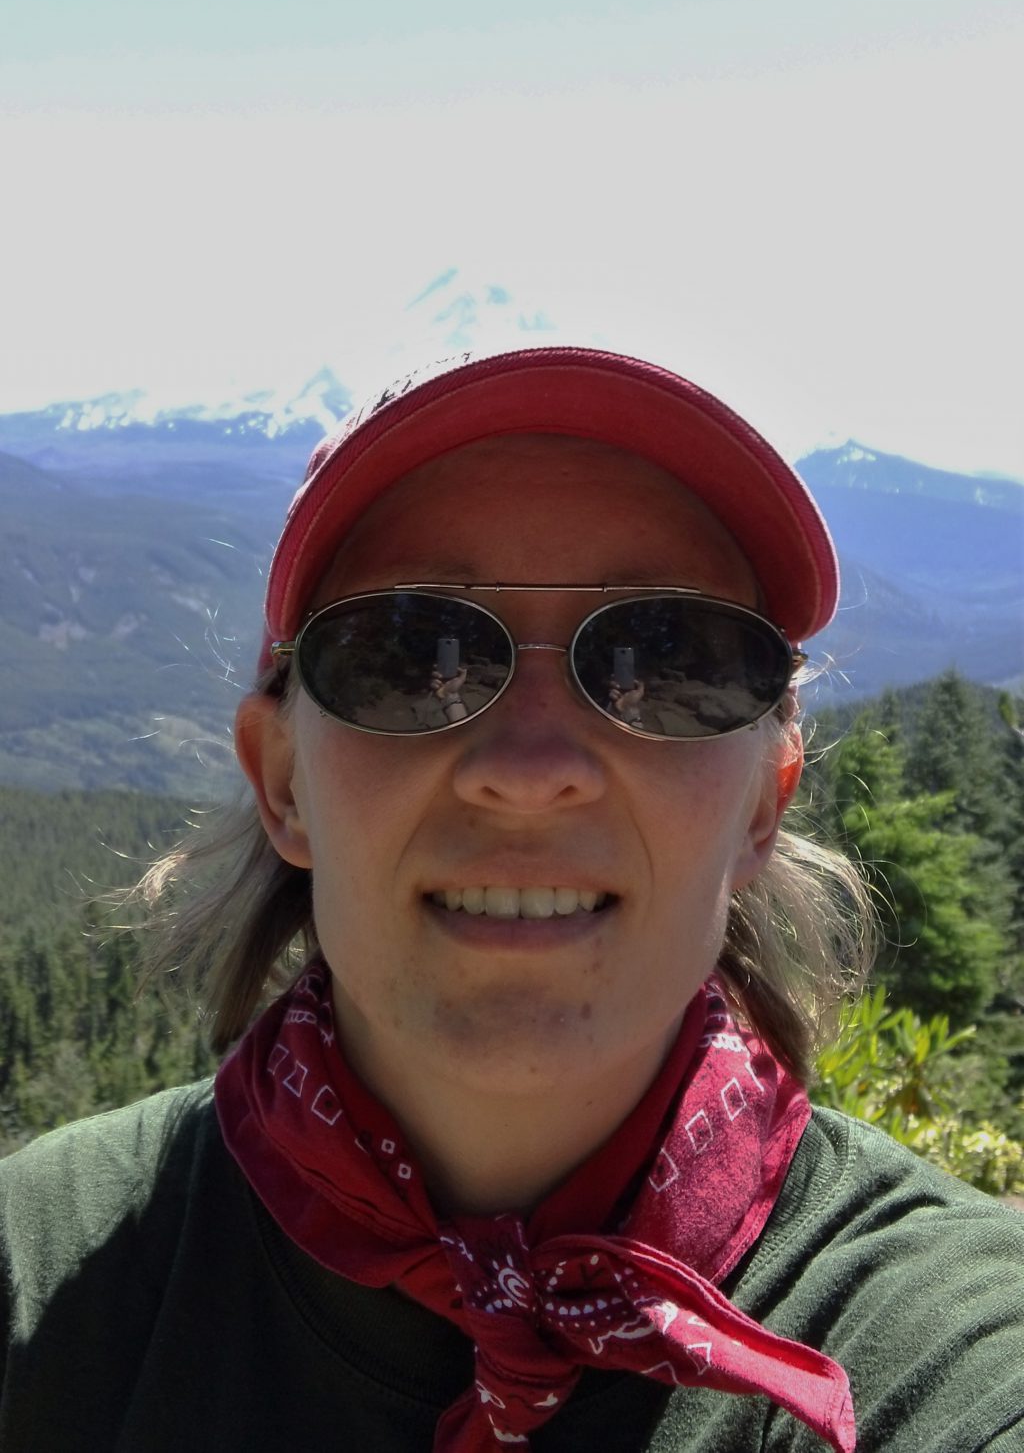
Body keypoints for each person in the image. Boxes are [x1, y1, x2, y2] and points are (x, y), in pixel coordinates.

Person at [1, 346, 1022, 1453]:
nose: (530, 768)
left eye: (666, 655)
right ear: (282, 781)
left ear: (762, 806)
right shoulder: (42, 1280)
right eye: (411, 652)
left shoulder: (938, 1346)